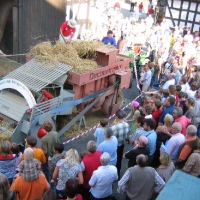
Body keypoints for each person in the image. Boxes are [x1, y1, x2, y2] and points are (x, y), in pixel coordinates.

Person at [111, 109, 129, 177]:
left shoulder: (114, 127)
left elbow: (112, 137)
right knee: (119, 159)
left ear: (116, 117)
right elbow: (127, 132)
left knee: (113, 159)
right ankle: (117, 173)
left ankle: (113, 174)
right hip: (122, 144)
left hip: (115, 145)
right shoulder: (126, 124)